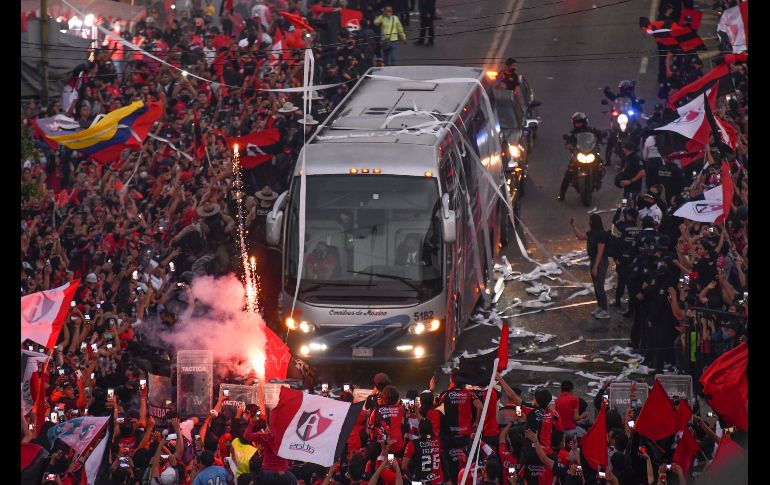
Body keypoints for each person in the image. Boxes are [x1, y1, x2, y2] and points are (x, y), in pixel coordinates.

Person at [570, 214, 611, 319]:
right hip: (594, 261)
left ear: (593, 222)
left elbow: (600, 252)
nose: (589, 222)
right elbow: (580, 237)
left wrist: (595, 267)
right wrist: (574, 226)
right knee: (596, 286)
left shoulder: (601, 234)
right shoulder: (592, 233)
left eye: (590, 220)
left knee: (599, 286)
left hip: (600, 262)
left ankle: (605, 310)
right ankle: (600, 307)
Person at [558, 112, 604, 201]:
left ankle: (598, 178)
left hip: (591, 152)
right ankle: (562, 193)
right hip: (578, 154)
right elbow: (567, 141)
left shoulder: (592, 130)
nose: (578, 124)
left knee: (599, 165)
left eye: (580, 122)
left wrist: (601, 140)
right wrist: (568, 145)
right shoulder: (572, 133)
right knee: (569, 172)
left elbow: (600, 135)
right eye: (576, 122)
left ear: (585, 121)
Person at [401, 419, 444, 485]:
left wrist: (411, 477)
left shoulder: (412, 444)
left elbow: (403, 467)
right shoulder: (437, 440)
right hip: (438, 481)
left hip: (420, 482)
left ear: (418, 429)